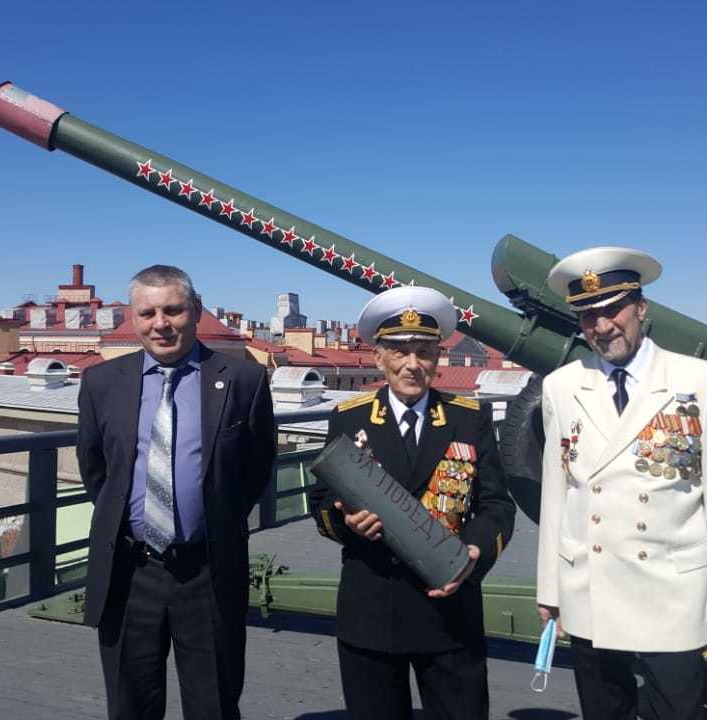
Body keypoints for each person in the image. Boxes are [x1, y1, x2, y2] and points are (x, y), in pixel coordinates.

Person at [534, 247, 707, 720]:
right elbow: (558, 493)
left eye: (613, 309)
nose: (602, 326)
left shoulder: (704, 383)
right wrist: (551, 589)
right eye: (588, 316)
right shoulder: (562, 387)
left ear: (642, 307)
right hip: (591, 588)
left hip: (672, 593)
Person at [76, 264, 276, 720]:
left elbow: (256, 466)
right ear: (133, 317)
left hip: (207, 570)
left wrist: (214, 518)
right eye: (147, 313)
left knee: (214, 704)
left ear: (196, 310)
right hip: (129, 572)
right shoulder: (102, 383)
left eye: (172, 310)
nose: (160, 324)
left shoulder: (243, 381)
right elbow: (96, 470)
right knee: (130, 706)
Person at [309, 285, 516, 720]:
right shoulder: (349, 418)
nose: (412, 364)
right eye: (400, 352)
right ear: (378, 357)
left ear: (438, 359)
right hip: (373, 609)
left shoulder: (468, 418)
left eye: (424, 352)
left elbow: (497, 506)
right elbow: (323, 502)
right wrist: (348, 524)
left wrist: (473, 555)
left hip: (449, 610)